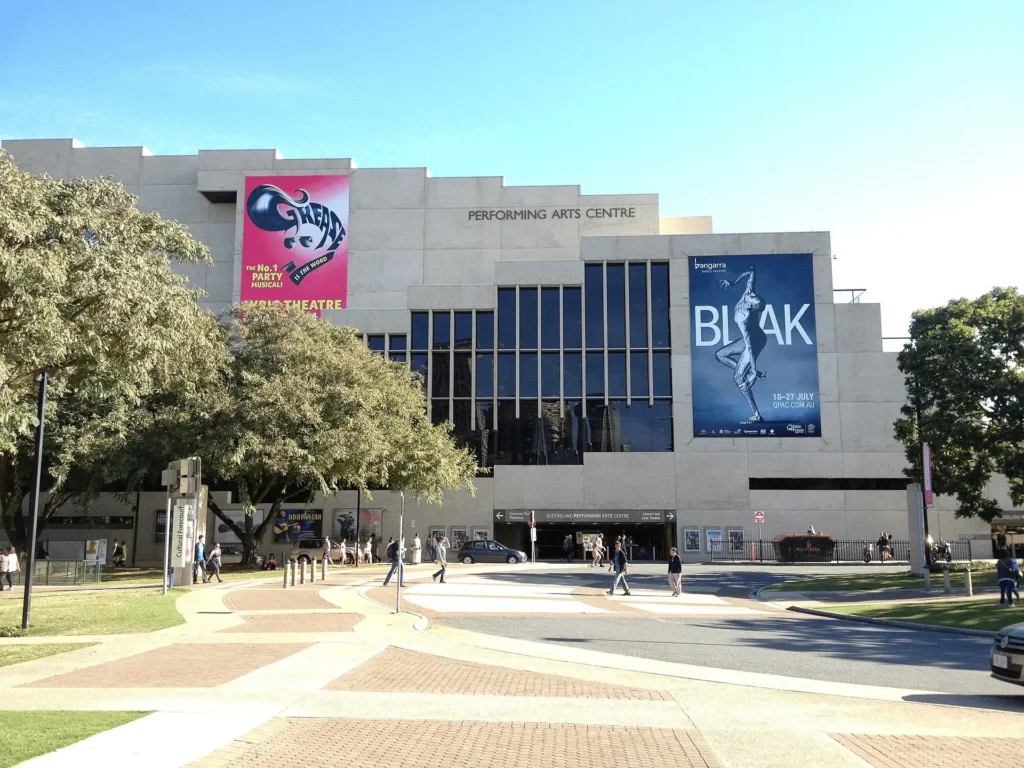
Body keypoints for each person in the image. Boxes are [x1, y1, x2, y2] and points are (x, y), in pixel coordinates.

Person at [715, 267, 768, 423]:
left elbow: (749, 347)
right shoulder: (748, 293)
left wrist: (752, 368)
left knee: (738, 378)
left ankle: (756, 415)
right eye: (753, 294)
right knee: (720, 354)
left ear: (752, 306)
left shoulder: (742, 318)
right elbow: (751, 271)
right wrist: (733, 282)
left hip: (756, 340)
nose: (751, 294)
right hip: (751, 339)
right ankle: (748, 373)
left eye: (754, 298)